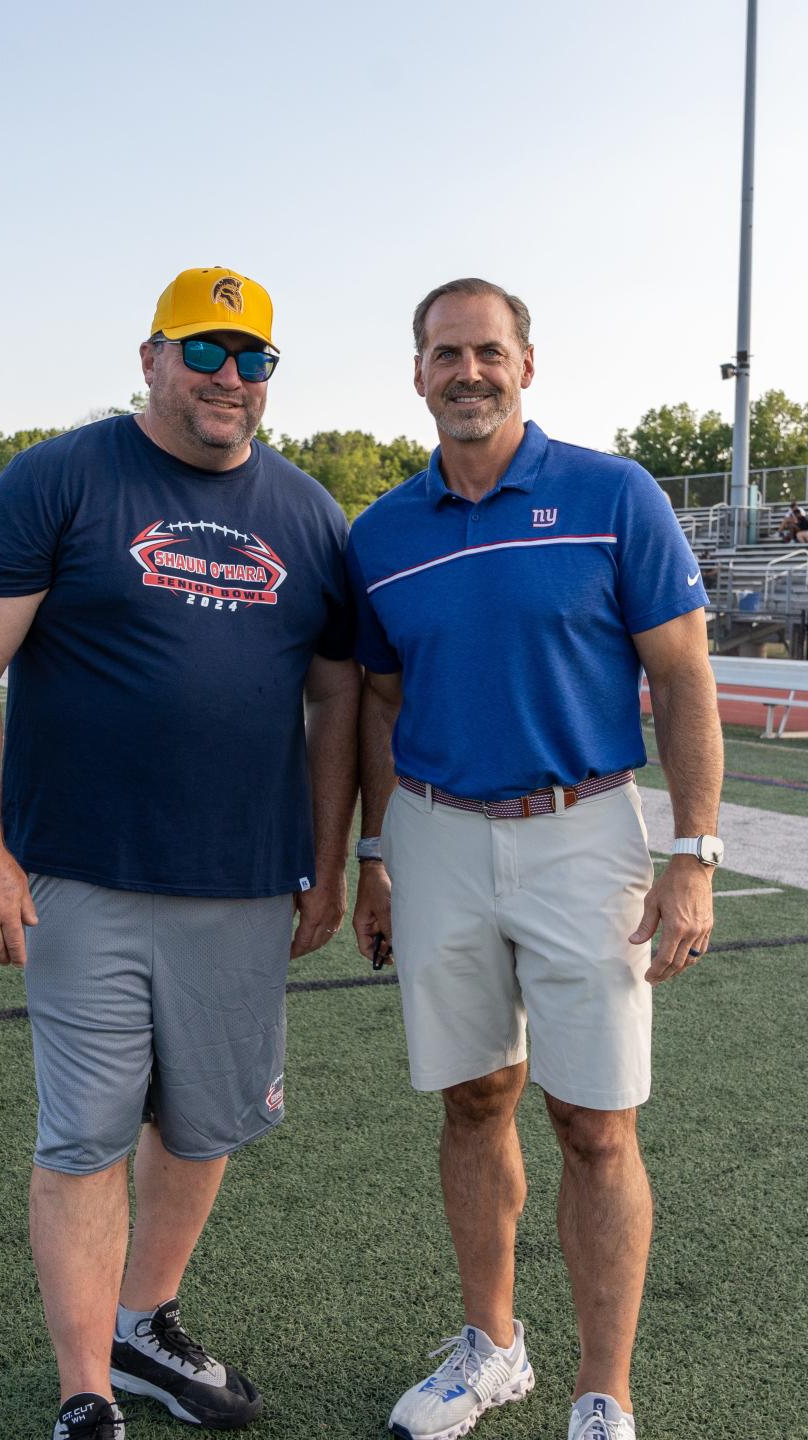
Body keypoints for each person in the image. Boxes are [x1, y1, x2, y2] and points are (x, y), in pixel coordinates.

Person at [0, 266, 359, 1440]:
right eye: (206, 351)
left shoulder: (311, 513)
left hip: (242, 880)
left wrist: (325, 856)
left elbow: (337, 701)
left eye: (254, 358)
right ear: (152, 356)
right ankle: (85, 1391)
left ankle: (145, 1321)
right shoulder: (62, 476)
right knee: (85, 1133)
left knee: (206, 1124)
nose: (230, 378)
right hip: (83, 871)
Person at [346, 278, 724, 1440]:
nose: (469, 372)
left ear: (526, 363)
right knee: (474, 1099)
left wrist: (696, 851)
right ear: (417, 374)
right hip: (433, 831)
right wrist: (372, 852)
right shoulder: (379, 532)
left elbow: (683, 677)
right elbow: (375, 697)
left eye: (488, 351)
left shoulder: (615, 494)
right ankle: (492, 1350)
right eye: (445, 353)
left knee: (595, 1121)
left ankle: (602, 1393)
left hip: (583, 833)